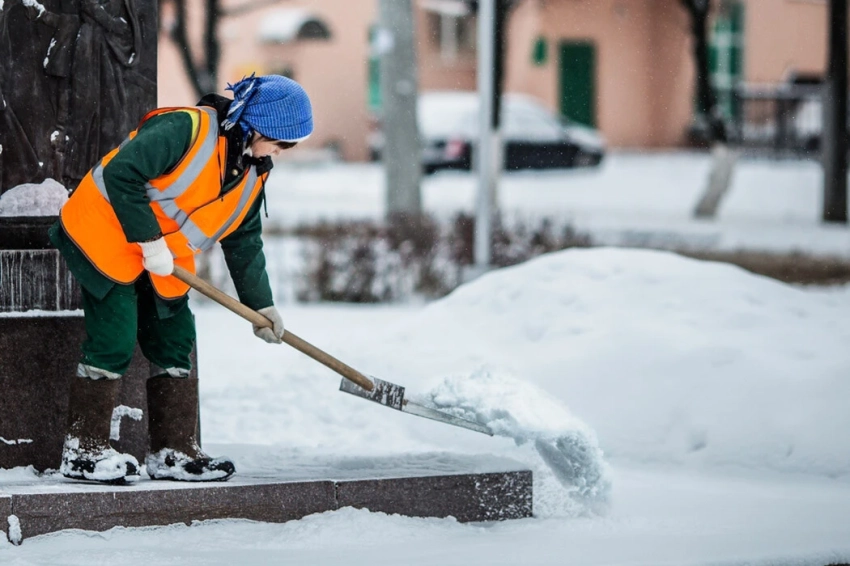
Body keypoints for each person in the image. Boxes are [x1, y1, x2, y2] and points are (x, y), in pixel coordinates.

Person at [48, 74, 313, 484]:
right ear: (255, 125)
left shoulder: (253, 169)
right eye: (280, 142)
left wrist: (260, 305)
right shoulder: (185, 129)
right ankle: (82, 451)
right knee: (114, 335)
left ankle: (172, 452)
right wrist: (148, 241)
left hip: (166, 257)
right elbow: (121, 174)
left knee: (175, 337)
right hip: (106, 231)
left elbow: (243, 239)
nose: (281, 152)